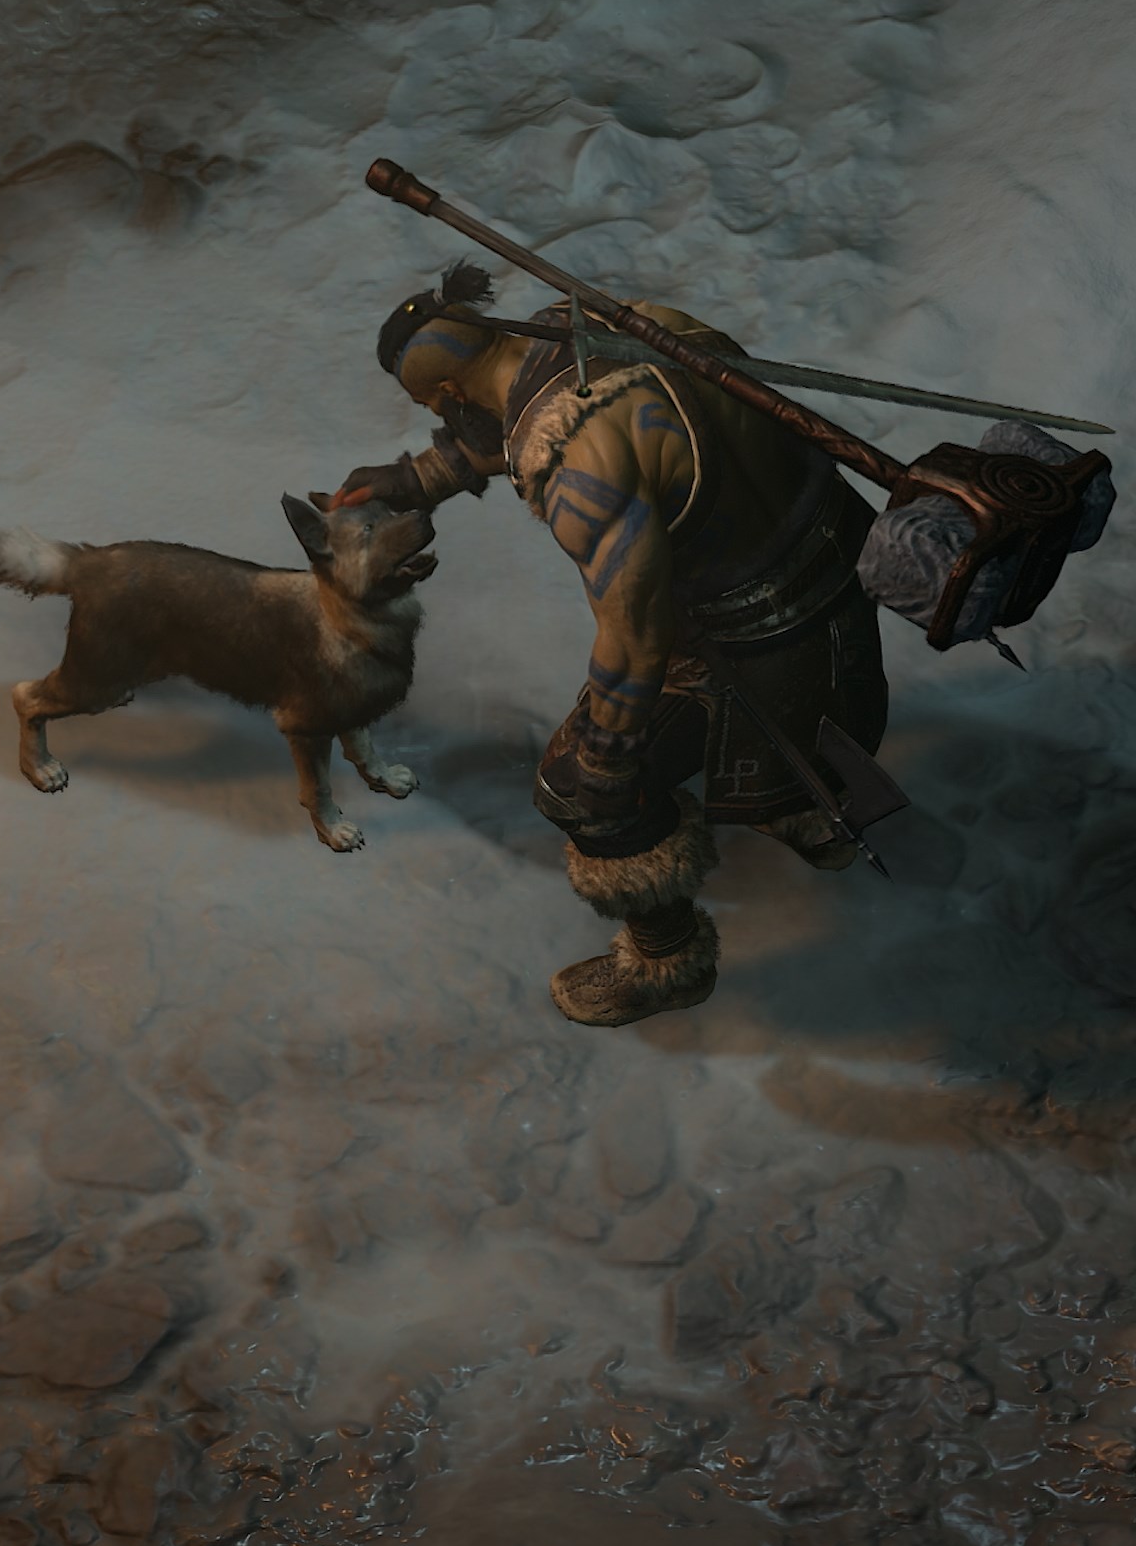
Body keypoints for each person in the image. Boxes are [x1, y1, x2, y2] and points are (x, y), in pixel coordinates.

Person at [338, 265, 889, 1026]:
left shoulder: (578, 466)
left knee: (578, 786)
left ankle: (669, 965)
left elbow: (636, 635)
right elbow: (536, 422)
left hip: (750, 641)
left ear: (450, 393)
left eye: (438, 408)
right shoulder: (609, 325)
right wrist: (422, 477)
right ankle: (802, 806)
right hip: (835, 571)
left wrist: (607, 755)